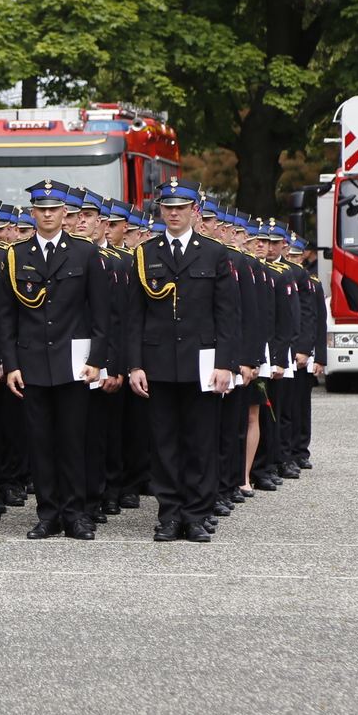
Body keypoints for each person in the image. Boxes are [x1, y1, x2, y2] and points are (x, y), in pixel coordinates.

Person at [126, 178, 238, 543]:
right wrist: (135, 364)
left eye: (181, 207)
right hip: (158, 362)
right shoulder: (145, 253)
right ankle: (169, 514)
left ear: (195, 211)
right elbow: (134, 315)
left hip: (202, 362)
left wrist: (226, 363)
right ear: (160, 210)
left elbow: (227, 315)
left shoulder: (214, 253)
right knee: (164, 444)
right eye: (168, 207)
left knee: (200, 442)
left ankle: (196, 514)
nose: (174, 213)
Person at [2, 180, 110, 541]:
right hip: (32, 362)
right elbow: (8, 317)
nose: (47, 215)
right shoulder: (17, 254)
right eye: (40, 209)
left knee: (72, 441)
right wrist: (12, 364)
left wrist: (97, 359)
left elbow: (100, 312)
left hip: (73, 362)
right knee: (40, 443)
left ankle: (76, 514)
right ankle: (47, 513)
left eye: (54, 209)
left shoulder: (84, 253)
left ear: (66, 213)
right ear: (32, 213)